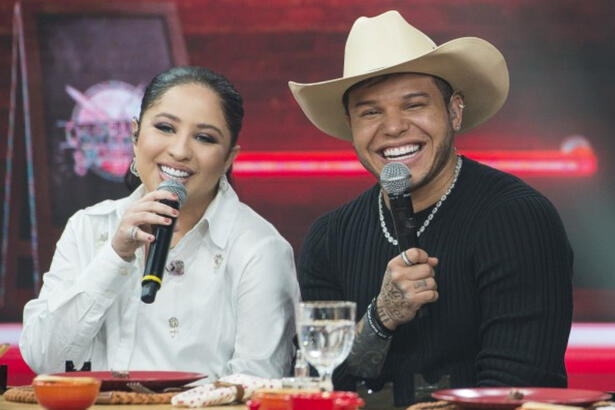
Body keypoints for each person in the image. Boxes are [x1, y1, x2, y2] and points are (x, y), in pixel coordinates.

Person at [289, 10, 573, 407]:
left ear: (454, 111)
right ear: (351, 126)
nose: (393, 127)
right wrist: (379, 318)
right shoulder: (329, 236)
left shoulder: (517, 217)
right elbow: (314, 381)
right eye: (370, 112)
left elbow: (519, 386)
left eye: (413, 105)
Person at [20, 66, 300, 379]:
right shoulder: (88, 227)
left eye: (204, 138)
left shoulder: (258, 248)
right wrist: (115, 256)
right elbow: (43, 358)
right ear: (136, 134)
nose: (179, 151)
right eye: (165, 128)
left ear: (228, 159)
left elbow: (258, 384)